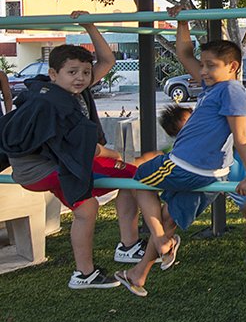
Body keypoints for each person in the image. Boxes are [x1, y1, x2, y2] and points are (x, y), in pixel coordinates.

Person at [114, 8, 246, 297]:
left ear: (232, 66)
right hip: (212, 175)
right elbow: (183, 53)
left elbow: (241, 136)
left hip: (186, 165)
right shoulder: (212, 86)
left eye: (210, 66)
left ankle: (158, 240)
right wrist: (181, 21)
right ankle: (139, 274)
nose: (202, 71)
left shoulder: (231, 90)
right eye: (202, 65)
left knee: (138, 179)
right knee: (168, 217)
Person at [0, 36, 143, 290]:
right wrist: (112, 154)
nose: (81, 78)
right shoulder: (57, 104)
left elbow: (107, 60)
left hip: (39, 168)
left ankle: (84, 274)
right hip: (44, 169)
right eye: (73, 72)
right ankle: (129, 246)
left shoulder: (56, 90)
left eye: (86, 72)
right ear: (54, 74)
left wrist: (89, 27)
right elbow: (82, 150)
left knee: (86, 209)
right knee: (133, 176)